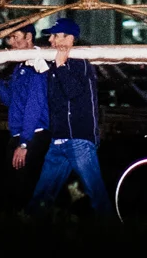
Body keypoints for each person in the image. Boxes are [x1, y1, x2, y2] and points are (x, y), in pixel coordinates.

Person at [27, 17, 111, 218]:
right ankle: (31, 222)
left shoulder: (80, 62)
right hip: (60, 139)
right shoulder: (59, 64)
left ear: (70, 38)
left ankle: (111, 229)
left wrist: (61, 66)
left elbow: (73, 92)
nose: (51, 41)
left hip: (78, 138)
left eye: (56, 36)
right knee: (43, 193)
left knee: (95, 193)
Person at [0, 25, 50, 207]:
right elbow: (12, 101)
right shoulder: (20, 65)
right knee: (13, 186)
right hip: (21, 134)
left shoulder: (37, 63)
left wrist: (25, 142)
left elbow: (34, 106)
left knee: (23, 188)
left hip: (34, 133)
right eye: (9, 37)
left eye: (15, 36)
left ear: (29, 37)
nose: (11, 42)